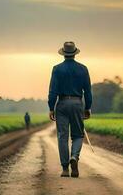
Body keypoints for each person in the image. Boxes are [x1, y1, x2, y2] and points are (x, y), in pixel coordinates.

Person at [48, 41, 92, 178]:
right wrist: (88, 107)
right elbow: (88, 91)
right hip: (77, 103)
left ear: (63, 53)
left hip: (61, 104)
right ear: (74, 53)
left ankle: (65, 169)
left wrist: (51, 107)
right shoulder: (83, 69)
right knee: (78, 135)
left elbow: (52, 91)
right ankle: (74, 156)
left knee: (62, 136)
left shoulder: (57, 69)